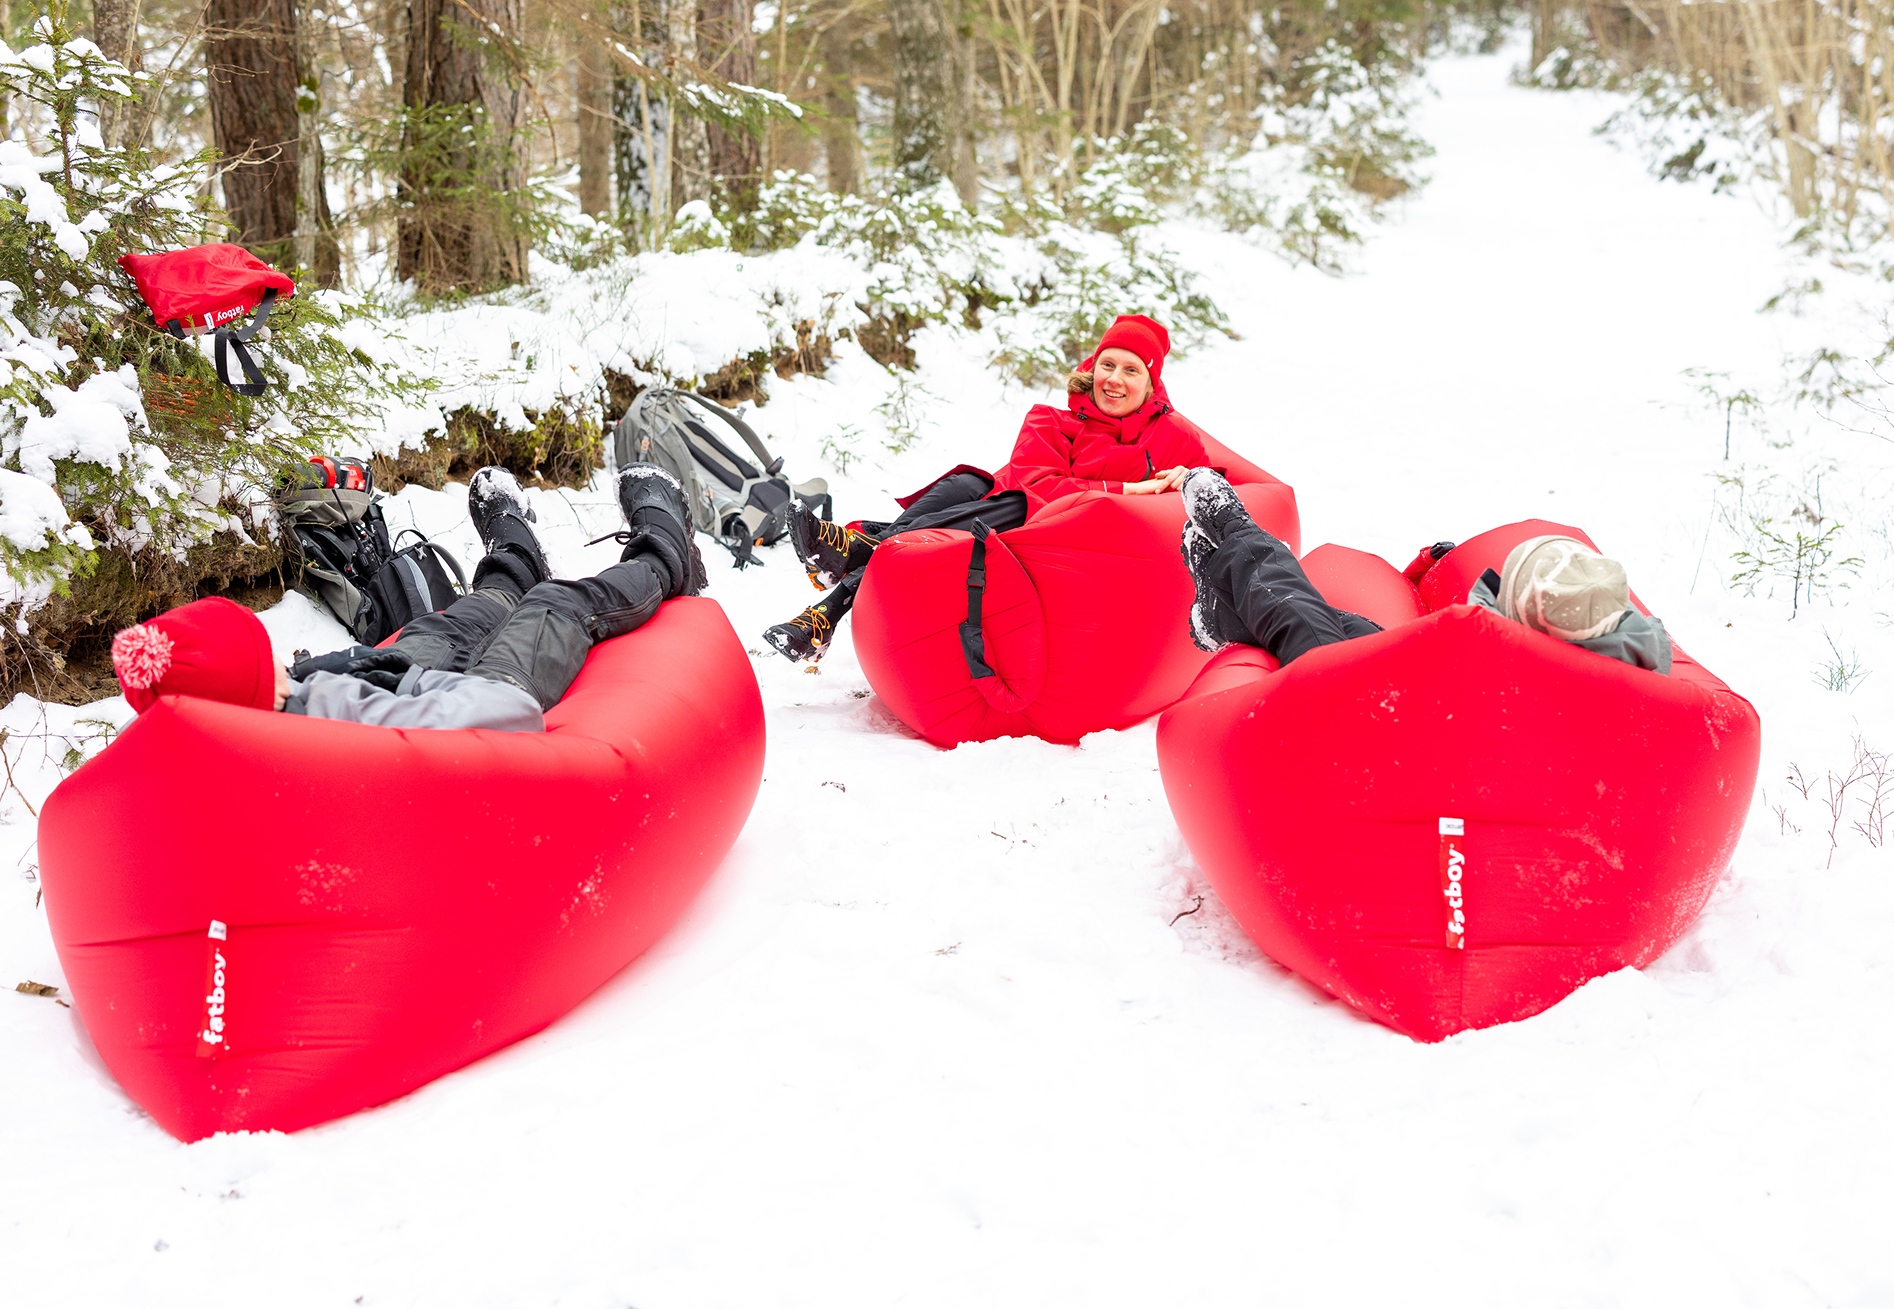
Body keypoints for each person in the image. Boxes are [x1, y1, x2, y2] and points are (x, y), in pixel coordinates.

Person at [110, 463, 707, 730]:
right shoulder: (333, 734)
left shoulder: (276, 711)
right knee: (554, 606)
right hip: (482, 696)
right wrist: (416, 684)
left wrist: (336, 671)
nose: (275, 659)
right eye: (262, 662)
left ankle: (513, 561)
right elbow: (502, 715)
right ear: (253, 693)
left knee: (449, 622)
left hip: (391, 682)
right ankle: (665, 556)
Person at [762, 313, 1216, 663]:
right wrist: (1131, 489)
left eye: (1131, 370)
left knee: (1011, 505)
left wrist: (1185, 480)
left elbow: (1219, 498)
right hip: (999, 506)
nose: (1114, 379)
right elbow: (1041, 484)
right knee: (969, 483)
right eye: (1107, 365)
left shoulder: (1175, 439)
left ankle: (854, 558)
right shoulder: (1049, 420)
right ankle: (825, 612)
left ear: (1151, 382)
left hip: (1031, 531)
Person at [1177, 468, 1672, 674]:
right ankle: (1226, 615)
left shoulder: (1555, 686)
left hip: (1390, 722)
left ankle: (1239, 535)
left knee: (1303, 621)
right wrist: (1428, 572)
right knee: (1349, 626)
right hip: (1432, 685)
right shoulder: (1615, 656)